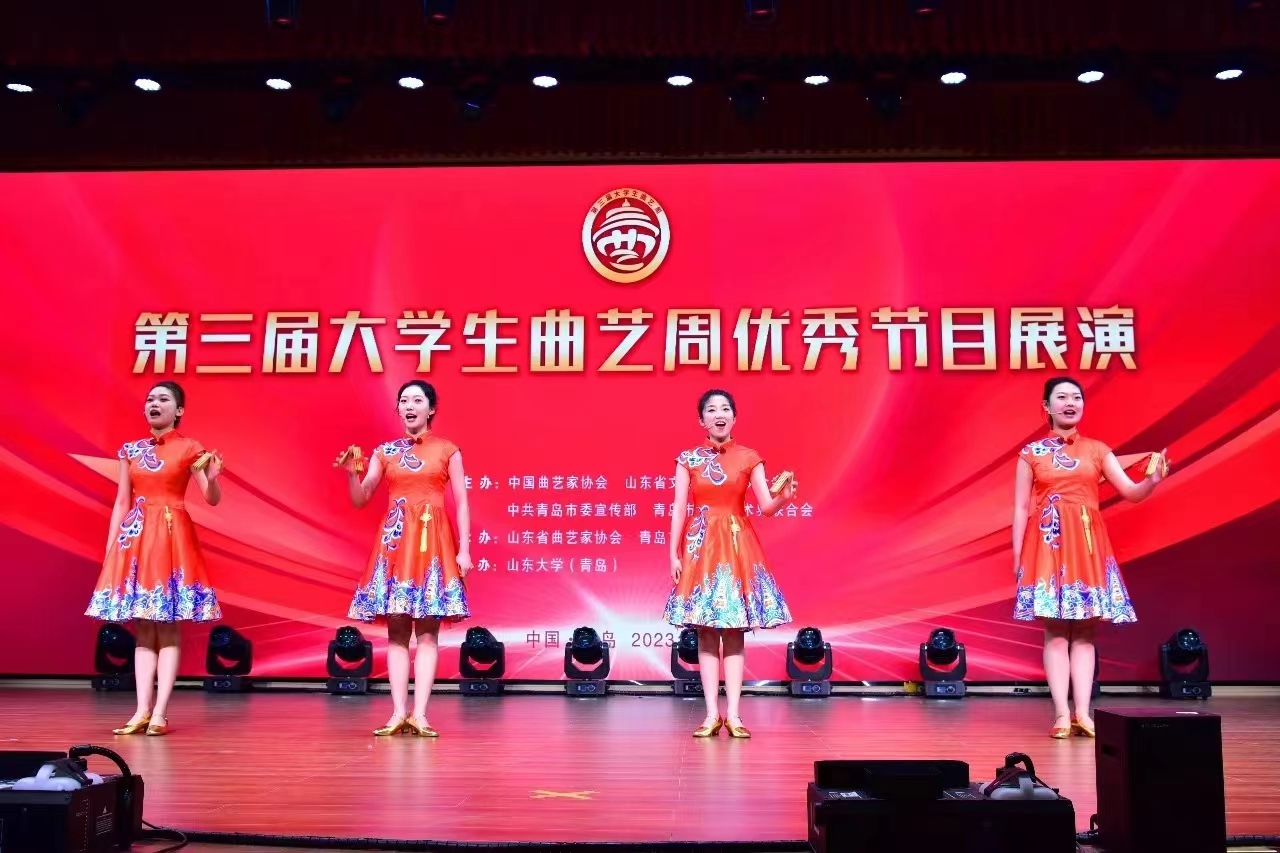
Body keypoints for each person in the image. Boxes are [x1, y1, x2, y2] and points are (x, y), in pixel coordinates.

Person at [1013, 377, 1170, 739]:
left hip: (1087, 544)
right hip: (1048, 544)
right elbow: (1021, 508)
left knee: (1085, 631)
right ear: (1047, 406)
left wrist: (1153, 481)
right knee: (1055, 630)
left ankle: (1083, 713)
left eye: (1076, 397)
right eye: (1062, 397)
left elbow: (1131, 492)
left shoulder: (1098, 450)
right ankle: (1061, 714)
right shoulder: (1031, 453)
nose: (1070, 403)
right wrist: (1018, 555)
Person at [87, 381, 224, 736]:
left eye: (164, 399)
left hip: (170, 535)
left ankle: (160, 712)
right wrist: (111, 547)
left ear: (179, 411)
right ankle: (141, 711)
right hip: (135, 537)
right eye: (150, 399)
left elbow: (211, 498)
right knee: (143, 626)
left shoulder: (190, 448)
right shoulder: (130, 450)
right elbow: (122, 501)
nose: (154, 404)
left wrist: (212, 479)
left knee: (166, 624)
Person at [339, 380, 472, 737]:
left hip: (433, 541)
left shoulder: (447, 450)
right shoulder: (384, 452)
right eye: (403, 401)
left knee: (427, 632)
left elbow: (462, 502)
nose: (409, 406)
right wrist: (352, 474)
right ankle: (398, 713)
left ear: (431, 409)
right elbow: (361, 497)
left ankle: (421, 714)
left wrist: (464, 549)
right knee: (396, 631)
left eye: (417, 400)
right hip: (396, 541)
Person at [664, 389, 795, 738]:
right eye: (711, 410)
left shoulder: (750, 457)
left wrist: (783, 498)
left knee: (734, 631)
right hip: (701, 545)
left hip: (737, 544)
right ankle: (711, 715)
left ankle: (734, 715)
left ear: (734, 418)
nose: (719, 414)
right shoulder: (687, 459)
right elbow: (679, 508)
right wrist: (673, 553)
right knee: (706, 632)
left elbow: (766, 507)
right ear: (701, 420)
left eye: (725, 409)